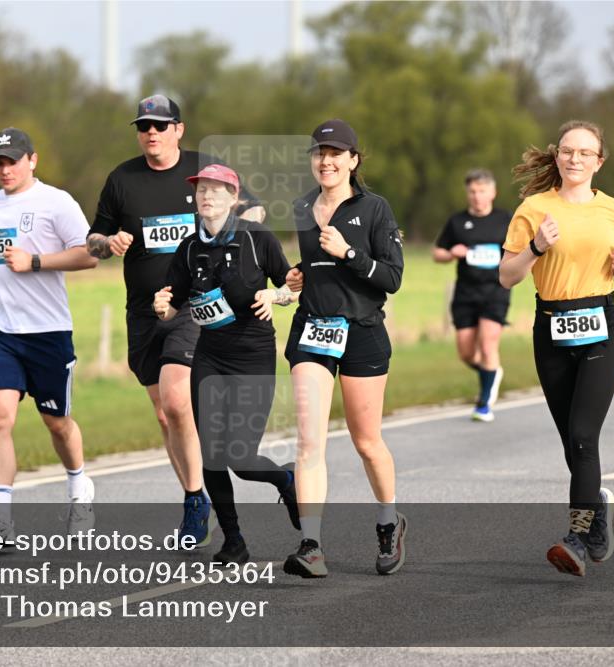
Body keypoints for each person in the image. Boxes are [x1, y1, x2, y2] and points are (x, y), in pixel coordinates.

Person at [87, 95, 264, 546]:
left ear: (178, 130)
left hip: (193, 304)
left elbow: (255, 209)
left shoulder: (204, 170)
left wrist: (233, 228)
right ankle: (196, 496)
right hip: (144, 310)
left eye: (160, 126)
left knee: (176, 399)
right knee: (165, 414)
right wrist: (109, 243)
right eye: (144, 126)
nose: (151, 133)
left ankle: (198, 496)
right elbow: (93, 240)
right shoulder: (122, 179)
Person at [499, 120, 614, 577]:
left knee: (582, 436)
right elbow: (507, 276)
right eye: (567, 151)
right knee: (571, 444)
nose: (575, 159)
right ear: (557, 156)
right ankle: (597, 511)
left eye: (584, 153)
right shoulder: (534, 208)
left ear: (599, 162)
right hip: (552, 329)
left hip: (601, 327)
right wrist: (536, 247)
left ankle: (577, 537)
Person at [153, 164, 300, 563]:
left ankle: (286, 479)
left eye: (216, 190)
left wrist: (274, 296)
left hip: (252, 356)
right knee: (211, 452)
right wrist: (163, 307)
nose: (207, 196)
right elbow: (173, 305)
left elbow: (293, 285)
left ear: (234, 198)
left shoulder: (257, 238)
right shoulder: (189, 248)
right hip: (210, 356)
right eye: (201, 190)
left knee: (240, 456)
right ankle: (233, 540)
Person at [281, 120, 407, 577]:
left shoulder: (374, 208)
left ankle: (389, 521)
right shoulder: (302, 207)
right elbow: (318, 266)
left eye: (336, 153)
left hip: (362, 331)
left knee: (366, 442)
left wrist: (349, 254)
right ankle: (311, 545)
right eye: (319, 153)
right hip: (313, 331)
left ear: (353, 160)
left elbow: (392, 277)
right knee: (309, 441)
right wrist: (299, 274)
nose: (326, 161)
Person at [0, 127, 99, 541]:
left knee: (57, 423)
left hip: (48, 332)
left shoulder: (57, 201)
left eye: (13, 161)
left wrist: (35, 261)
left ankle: (79, 488)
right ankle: (0, 517)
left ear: (32, 160)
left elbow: (89, 255)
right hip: (0, 330)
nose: (5, 170)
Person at [432, 169, 512, 422]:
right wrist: (451, 253)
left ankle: (484, 405)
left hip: (496, 291)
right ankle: (491, 372)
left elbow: (520, 251)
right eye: (473, 192)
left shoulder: (505, 220)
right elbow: (437, 253)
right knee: (466, 353)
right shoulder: (457, 222)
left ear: (493, 192)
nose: (477, 196)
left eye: (482, 191)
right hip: (465, 293)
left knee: (488, 345)